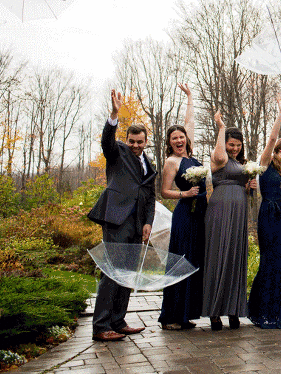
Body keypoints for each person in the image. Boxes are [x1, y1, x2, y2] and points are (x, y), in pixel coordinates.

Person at [87, 89, 155, 341]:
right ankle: (101, 326)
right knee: (112, 271)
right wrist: (114, 115)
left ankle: (118, 320)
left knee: (127, 273)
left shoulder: (150, 166)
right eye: (132, 141)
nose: (136, 145)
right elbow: (106, 141)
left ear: (146, 141)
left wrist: (148, 222)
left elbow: (150, 197)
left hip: (137, 224)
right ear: (126, 140)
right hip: (116, 219)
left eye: (140, 142)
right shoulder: (116, 153)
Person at [247, 98, 281, 329]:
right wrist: (280, 114)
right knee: (270, 261)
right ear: (278, 150)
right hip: (268, 218)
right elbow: (270, 139)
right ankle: (262, 310)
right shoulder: (265, 163)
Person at [158, 84, 207, 330]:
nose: (179, 140)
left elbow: (190, 124)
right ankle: (171, 317)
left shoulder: (191, 156)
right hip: (184, 217)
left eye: (181, 137)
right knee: (180, 262)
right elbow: (163, 191)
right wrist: (184, 193)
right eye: (174, 138)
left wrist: (189, 98)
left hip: (200, 216)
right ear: (169, 142)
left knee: (194, 262)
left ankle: (186, 314)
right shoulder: (172, 162)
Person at [201, 112, 256, 330]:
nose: (235, 149)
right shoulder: (219, 158)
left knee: (235, 257)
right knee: (218, 255)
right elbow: (221, 157)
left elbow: (247, 186)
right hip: (220, 209)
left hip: (239, 212)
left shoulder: (242, 163)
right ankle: (214, 312)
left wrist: (249, 187)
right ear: (224, 144)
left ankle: (234, 309)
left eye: (238, 145)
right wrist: (221, 126)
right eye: (231, 145)